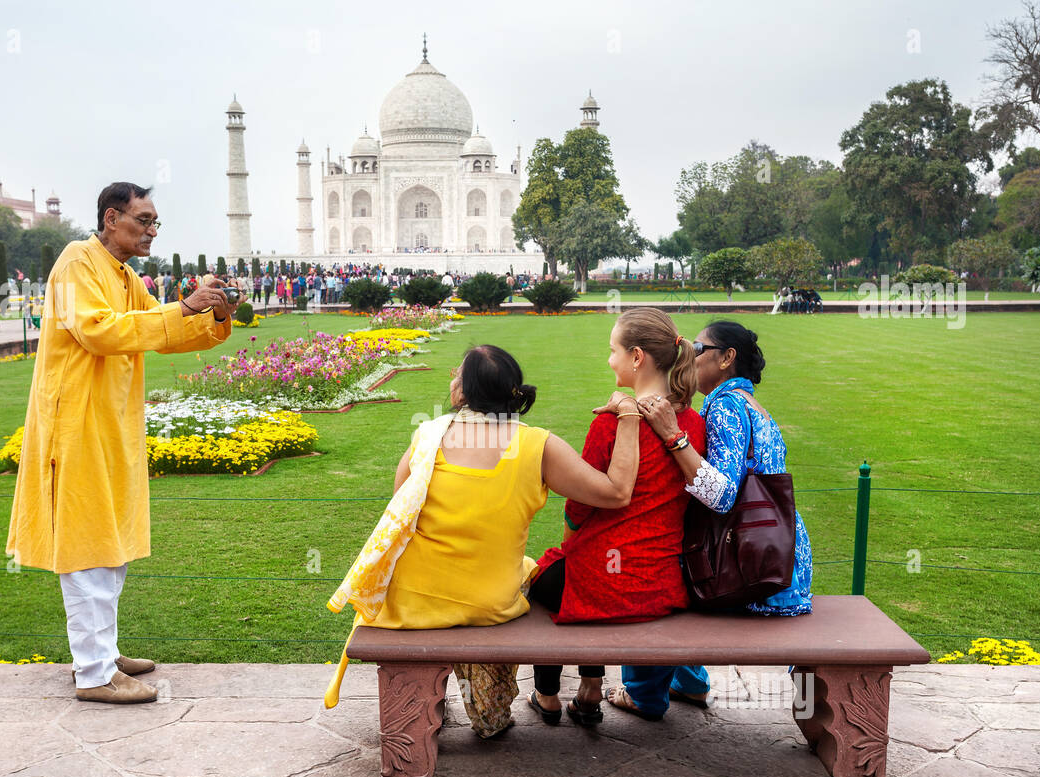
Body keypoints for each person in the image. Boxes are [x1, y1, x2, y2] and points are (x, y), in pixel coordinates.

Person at [327, 345, 643, 738]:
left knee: (524, 568)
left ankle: (437, 707)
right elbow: (615, 492)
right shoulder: (537, 445)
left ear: (463, 391)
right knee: (533, 568)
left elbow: (401, 512)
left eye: (456, 373)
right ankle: (544, 694)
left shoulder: (429, 434)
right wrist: (629, 414)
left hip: (413, 600)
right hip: (490, 601)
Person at [7, 182, 234, 705]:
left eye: (156, 223)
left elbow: (166, 332)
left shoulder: (124, 276)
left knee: (111, 541)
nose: (152, 230)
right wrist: (183, 307)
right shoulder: (77, 261)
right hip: (77, 423)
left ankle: (102, 653)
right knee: (87, 547)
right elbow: (99, 332)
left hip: (111, 424)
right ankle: (92, 673)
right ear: (112, 218)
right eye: (145, 220)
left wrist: (215, 311)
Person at [610, 319, 814, 719]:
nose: (692, 356)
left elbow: (721, 496)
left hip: (749, 571)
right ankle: (689, 682)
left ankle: (644, 693)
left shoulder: (724, 405)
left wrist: (673, 436)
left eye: (701, 350)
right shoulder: (754, 404)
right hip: (782, 560)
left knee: (652, 577)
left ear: (727, 359)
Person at [527, 308, 707, 725]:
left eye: (613, 351)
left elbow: (579, 507)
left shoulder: (610, 426)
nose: (609, 360)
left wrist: (572, 537)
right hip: (662, 585)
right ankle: (588, 690)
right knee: (570, 571)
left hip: (605, 581)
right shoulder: (691, 427)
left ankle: (549, 694)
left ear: (638, 357)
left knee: (539, 581)